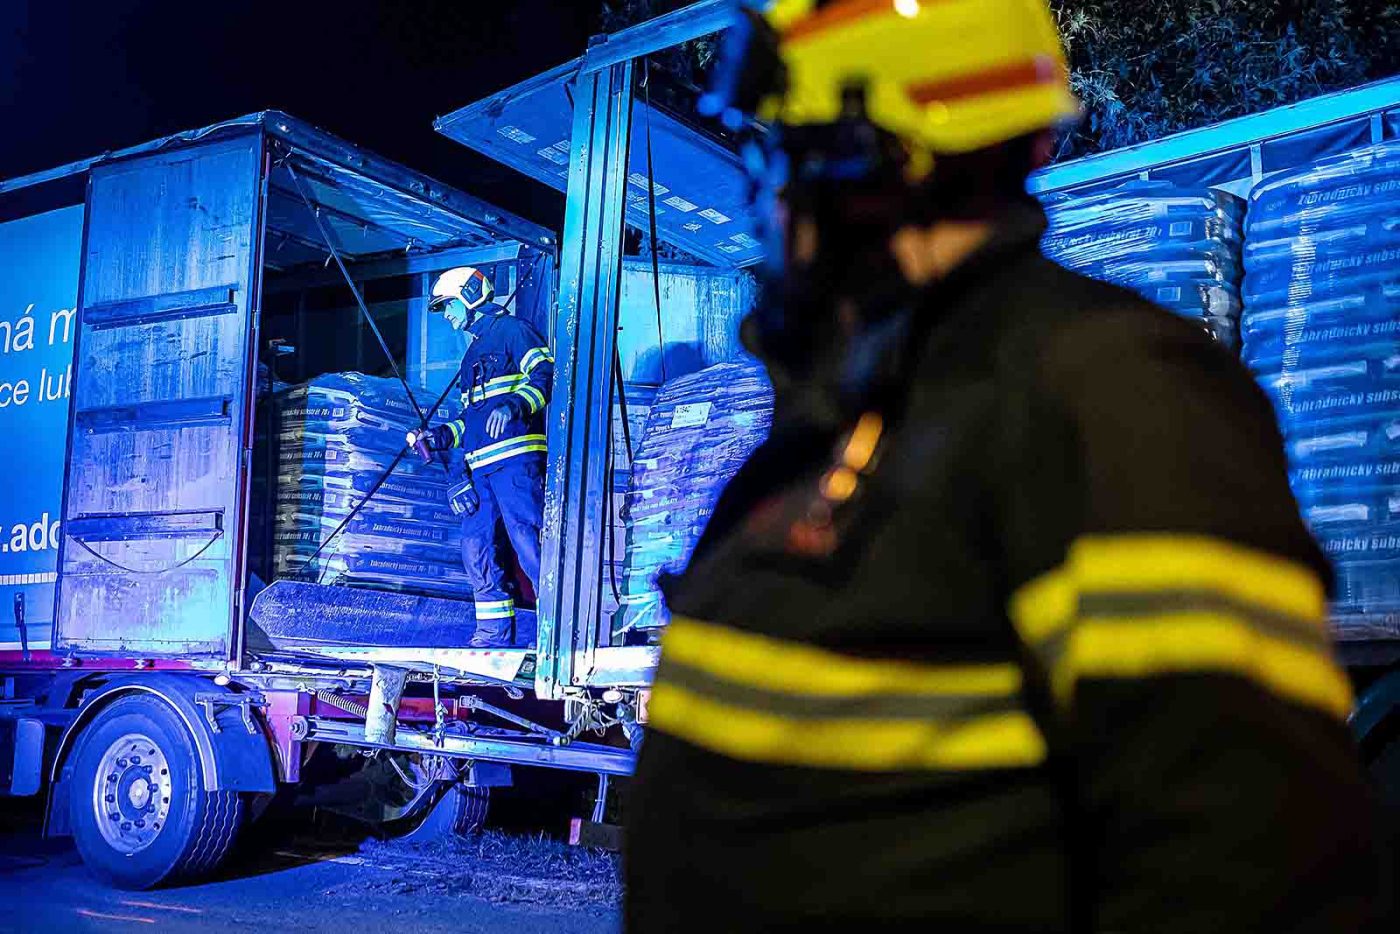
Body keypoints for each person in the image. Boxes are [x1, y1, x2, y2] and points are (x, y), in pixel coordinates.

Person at [626, 1, 1390, 931]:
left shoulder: (1104, 396)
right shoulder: (859, 418)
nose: (755, 197)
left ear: (876, 157)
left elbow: (1252, 864)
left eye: (774, 150)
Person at [409, 266, 553, 647]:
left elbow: (545, 376)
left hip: (516, 462)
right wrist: (438, 436)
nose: (447, 315)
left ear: (471, 296)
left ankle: (554, 635)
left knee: (530, 542)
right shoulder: (470, 354)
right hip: (479, 471)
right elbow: (467, 421)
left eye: (449, 305)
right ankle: (492, 636)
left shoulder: (513, 332)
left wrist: (514, 406)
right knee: (476, 549)